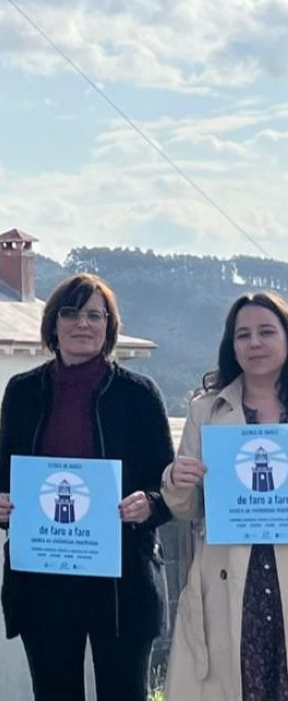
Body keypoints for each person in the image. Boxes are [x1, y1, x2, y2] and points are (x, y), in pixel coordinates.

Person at [0, 273, 174, 701]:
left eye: (96, 315)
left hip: (122, 581)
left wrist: (150, 503)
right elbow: (7, 481)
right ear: (53, 323)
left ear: (110, 326)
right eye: (71, 313)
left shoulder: (140, 394)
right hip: (44, 578)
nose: (83, 324)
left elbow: (166, 487)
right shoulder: (22, 393)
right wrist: (1, 505)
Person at [164, 291, 288, 700]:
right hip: (230, 580)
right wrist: (177, 480)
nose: (254, 343)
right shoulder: (206, 411)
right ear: (230, 345)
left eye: (266, 332)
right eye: (243, 334)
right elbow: (188, 508)